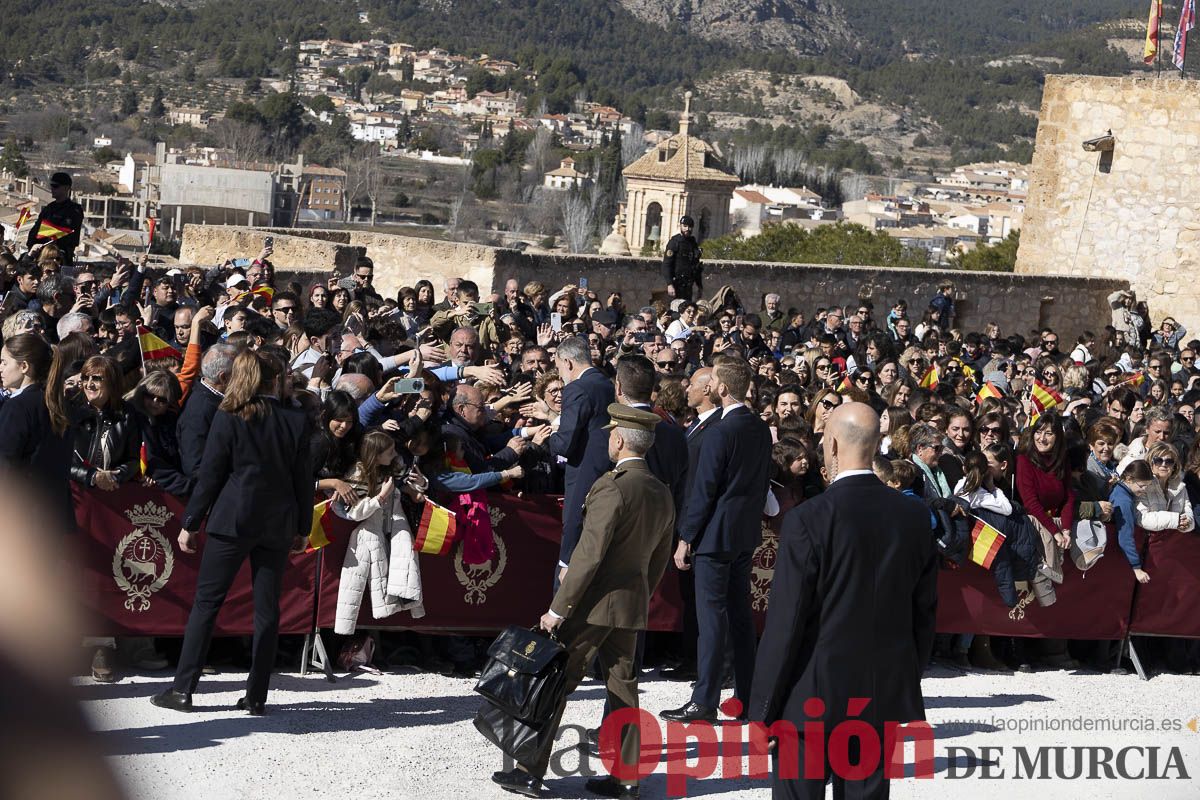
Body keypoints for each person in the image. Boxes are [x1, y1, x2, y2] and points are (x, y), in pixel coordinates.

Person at [750, 402, 937, 800]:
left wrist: (763, 710)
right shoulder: (914, 517)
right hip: (878, 691)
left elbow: (786, 622)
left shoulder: (809, 517)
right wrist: (904, 680)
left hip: (808, 695)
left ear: (831, 444)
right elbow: (924, 612)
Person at [491, 404, 674, 800]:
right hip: (630, 604)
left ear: (621, 439)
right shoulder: (661, 491)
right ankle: (627, 777)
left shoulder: (613, 485)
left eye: (612, 433)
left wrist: (558, 608)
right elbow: (658, 559)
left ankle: (529, 771)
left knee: (556, 683)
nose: (609, 438)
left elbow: (588, 554)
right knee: (623, 690)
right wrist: (639, 594)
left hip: (592, 605)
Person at [151, 350, 312, 716]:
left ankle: (183, 689)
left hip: (232, 518)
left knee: (207, 604)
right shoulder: (296, 419)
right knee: (267, 609)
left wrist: (192, 522)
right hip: (276, 522)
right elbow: (304, 479)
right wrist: (303, 526)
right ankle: (257, 695)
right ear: (275, 379)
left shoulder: (231, 416)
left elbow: (210, 475)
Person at [662, 356, 772, 723]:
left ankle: (705, 700)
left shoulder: (721, 431)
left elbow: (704, 490)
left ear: (722, 388)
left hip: (714, 536)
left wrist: (686, 537)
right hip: (744, 535)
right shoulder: (758, 427)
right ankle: (746, 698)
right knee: (740, 616)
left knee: (711, 619)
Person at [550, 336, 615, 581]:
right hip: (604, 470)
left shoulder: (576, 388)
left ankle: (560, 614)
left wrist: (549, 436)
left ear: (567, 362)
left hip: (583, 473)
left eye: (557, 367)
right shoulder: (606, 383)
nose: (559, 374)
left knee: (572, 544)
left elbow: (564, 444)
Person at [27, 172, 84, 264]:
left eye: (56, 186)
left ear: (66, 188)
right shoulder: (49, 208)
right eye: (52, 186)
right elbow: (36, 230)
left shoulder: (74, 210)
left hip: (60, 257)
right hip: (41, 255)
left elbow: (68, 234)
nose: (52, 189)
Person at [661, 215, 702, 301]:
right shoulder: (675, 242)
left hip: (689, 285)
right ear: (680, 226)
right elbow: (666, 265)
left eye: (690, 227)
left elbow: (696, 266)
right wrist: (670, 284)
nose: (687, 229)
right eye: (685, 226)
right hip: (677, 284)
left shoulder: (693, 243)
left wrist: (699, 286)